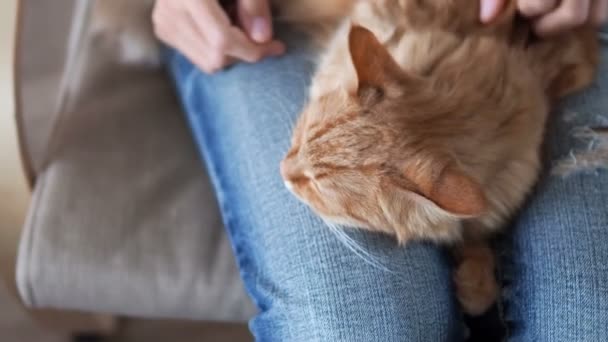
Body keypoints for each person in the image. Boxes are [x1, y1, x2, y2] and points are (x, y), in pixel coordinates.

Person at [154, 0, 608, 340]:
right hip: (271, 13)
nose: (285, 170)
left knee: (587, 321)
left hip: (558, 25)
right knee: (357, 327)